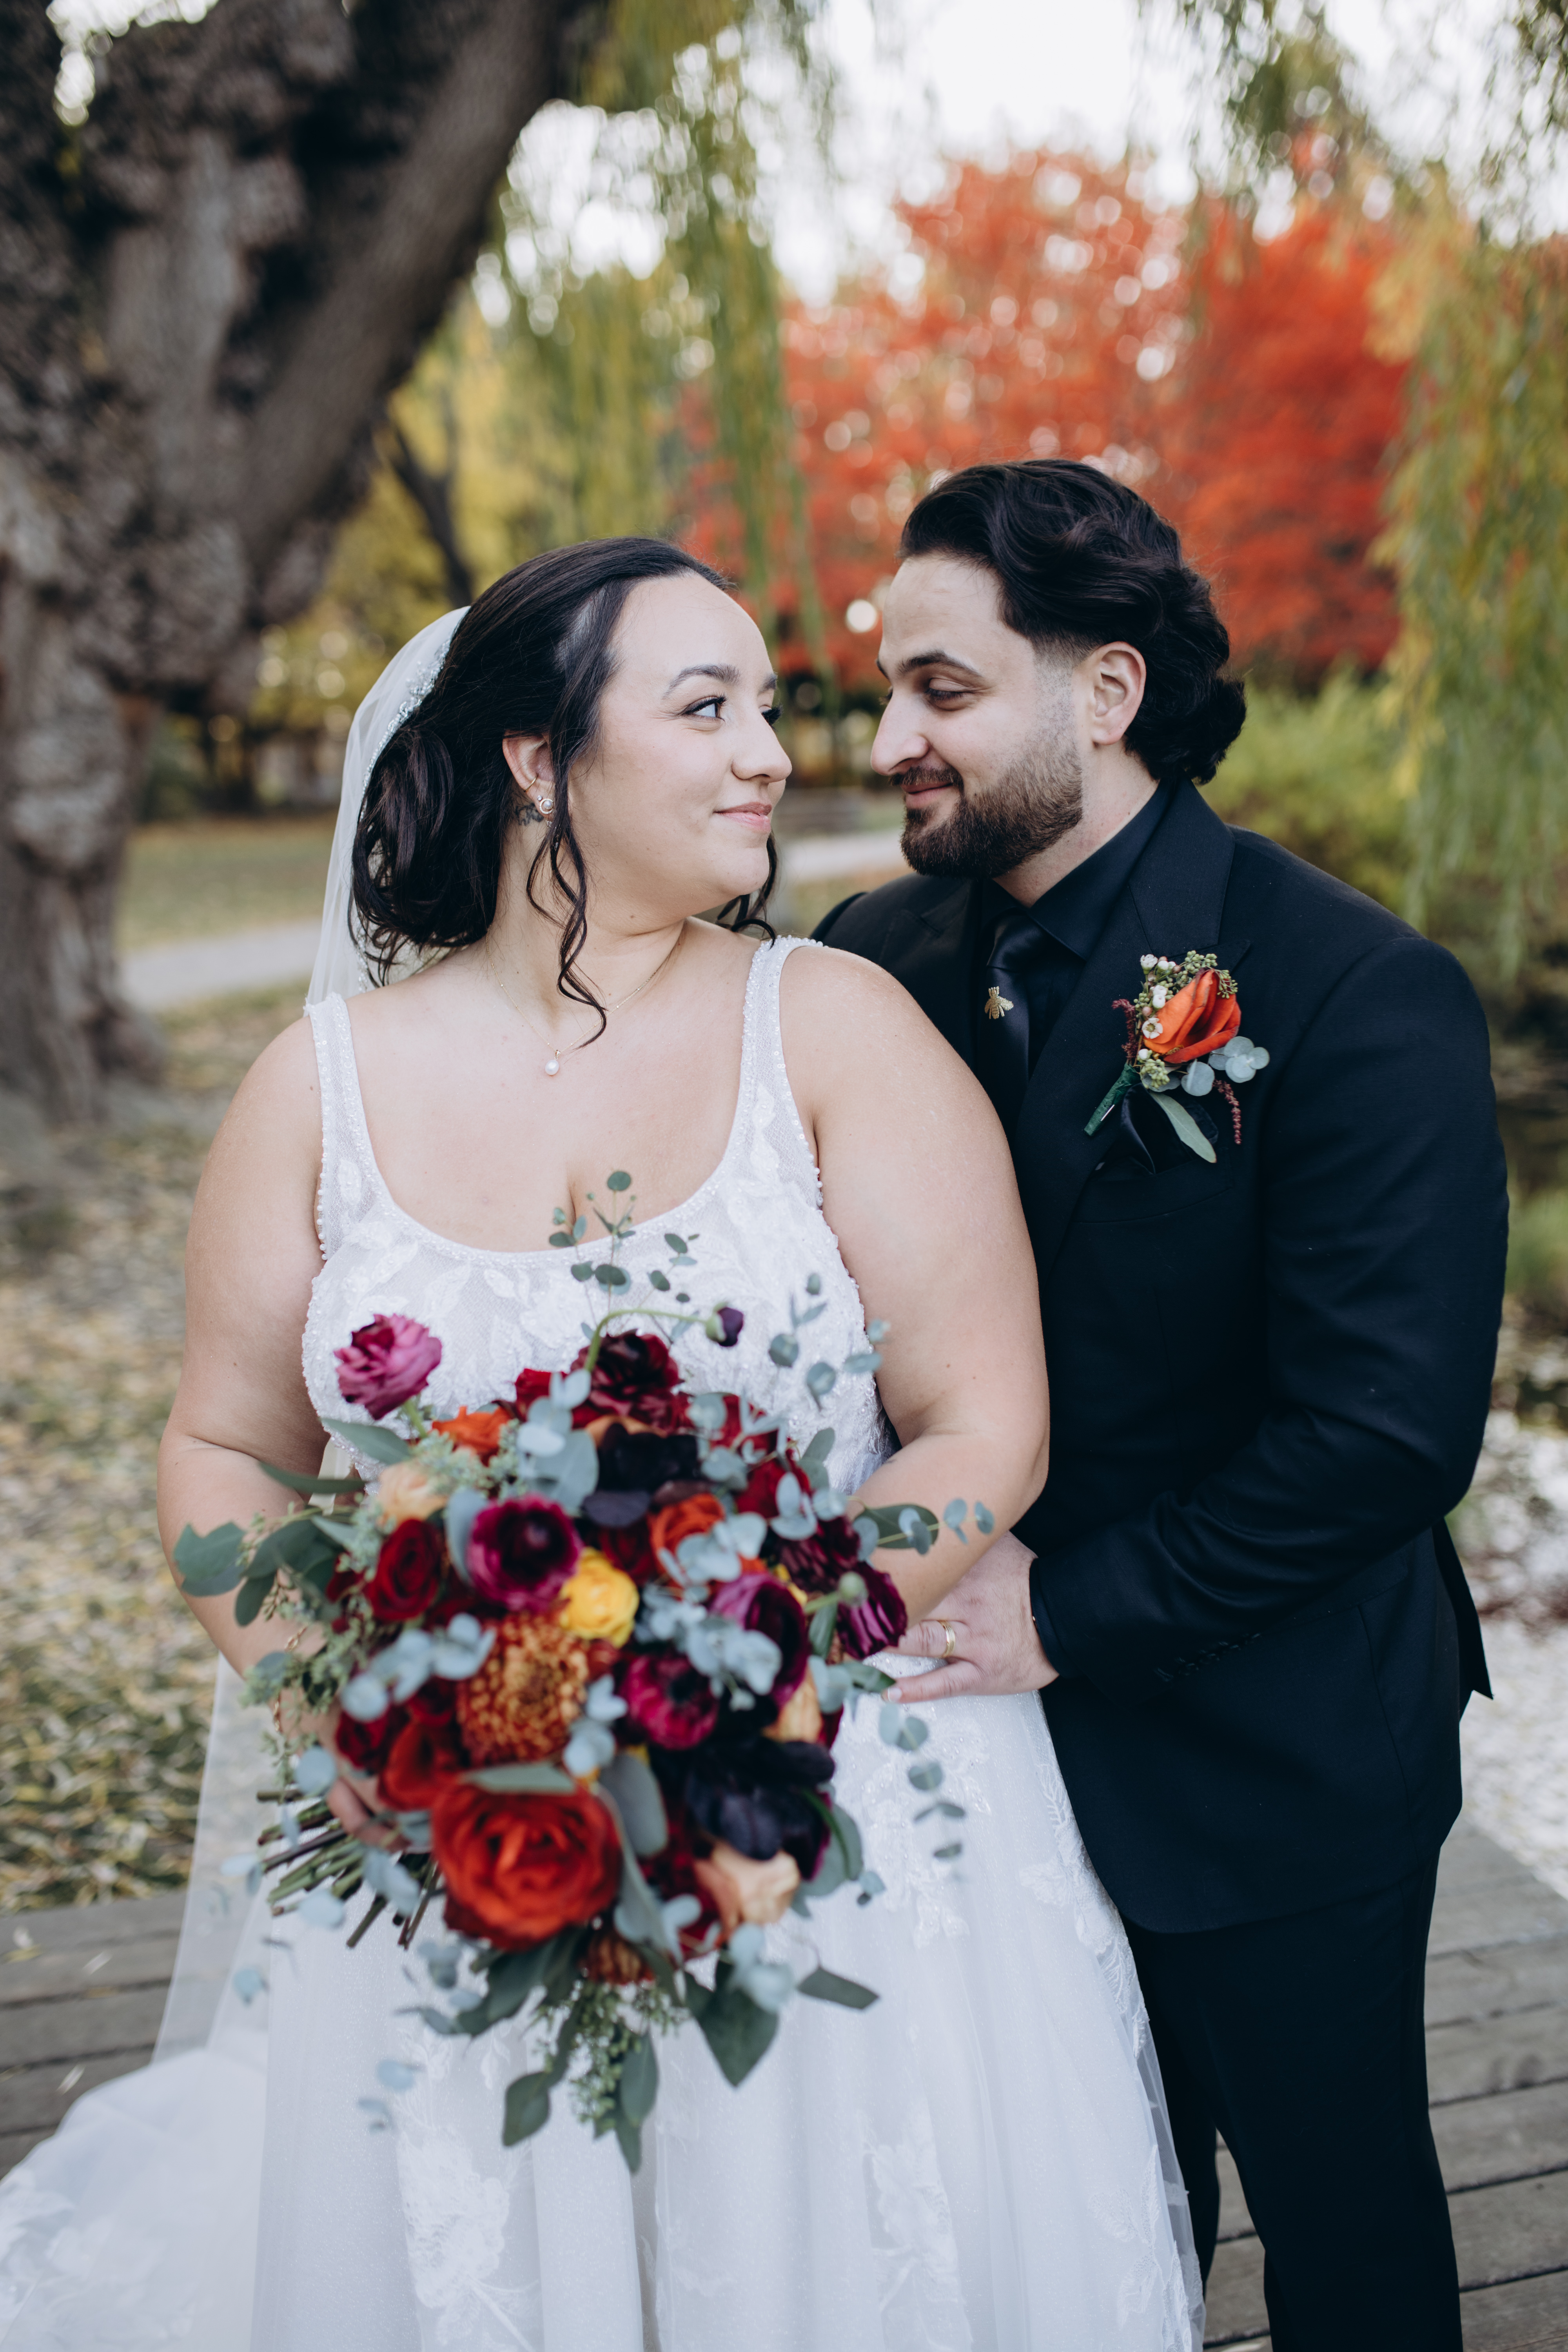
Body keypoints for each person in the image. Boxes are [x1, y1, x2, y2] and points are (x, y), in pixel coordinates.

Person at [0, 537, 1203, 2352]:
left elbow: (987, 1423)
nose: (771, 754)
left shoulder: (838, 1032)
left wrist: (737, 1673)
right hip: (462, 1835)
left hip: (824, 1821)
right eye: (707, 708)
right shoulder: (314, 1090)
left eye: (767, 708)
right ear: (536, 759)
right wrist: (351, 1708)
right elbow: (223, 1450)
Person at [815, 459, 1508, 2352]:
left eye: (942, 690)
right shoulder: (868, 968)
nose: (887, 743)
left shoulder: (1354, 990)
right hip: (964, 1761)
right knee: (1083, 2229)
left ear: (1104, 691)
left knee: (1340, 2229)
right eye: (886, 691)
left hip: (1268, 1745)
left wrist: (1064, 1608)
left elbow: (1382, 1435)